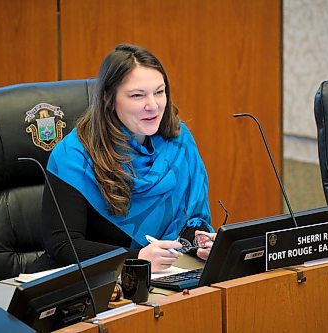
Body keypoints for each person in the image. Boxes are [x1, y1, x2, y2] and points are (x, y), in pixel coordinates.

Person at [41, 44, 215, 272]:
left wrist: (199, 243)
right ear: (109, 99)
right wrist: (137, 258)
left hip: (166, 275)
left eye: (159, 92)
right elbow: (63, 245)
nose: (152, 105)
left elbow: (189, 222)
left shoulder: (179, 142)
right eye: (137, 95)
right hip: (93, 282)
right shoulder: (73, 156)